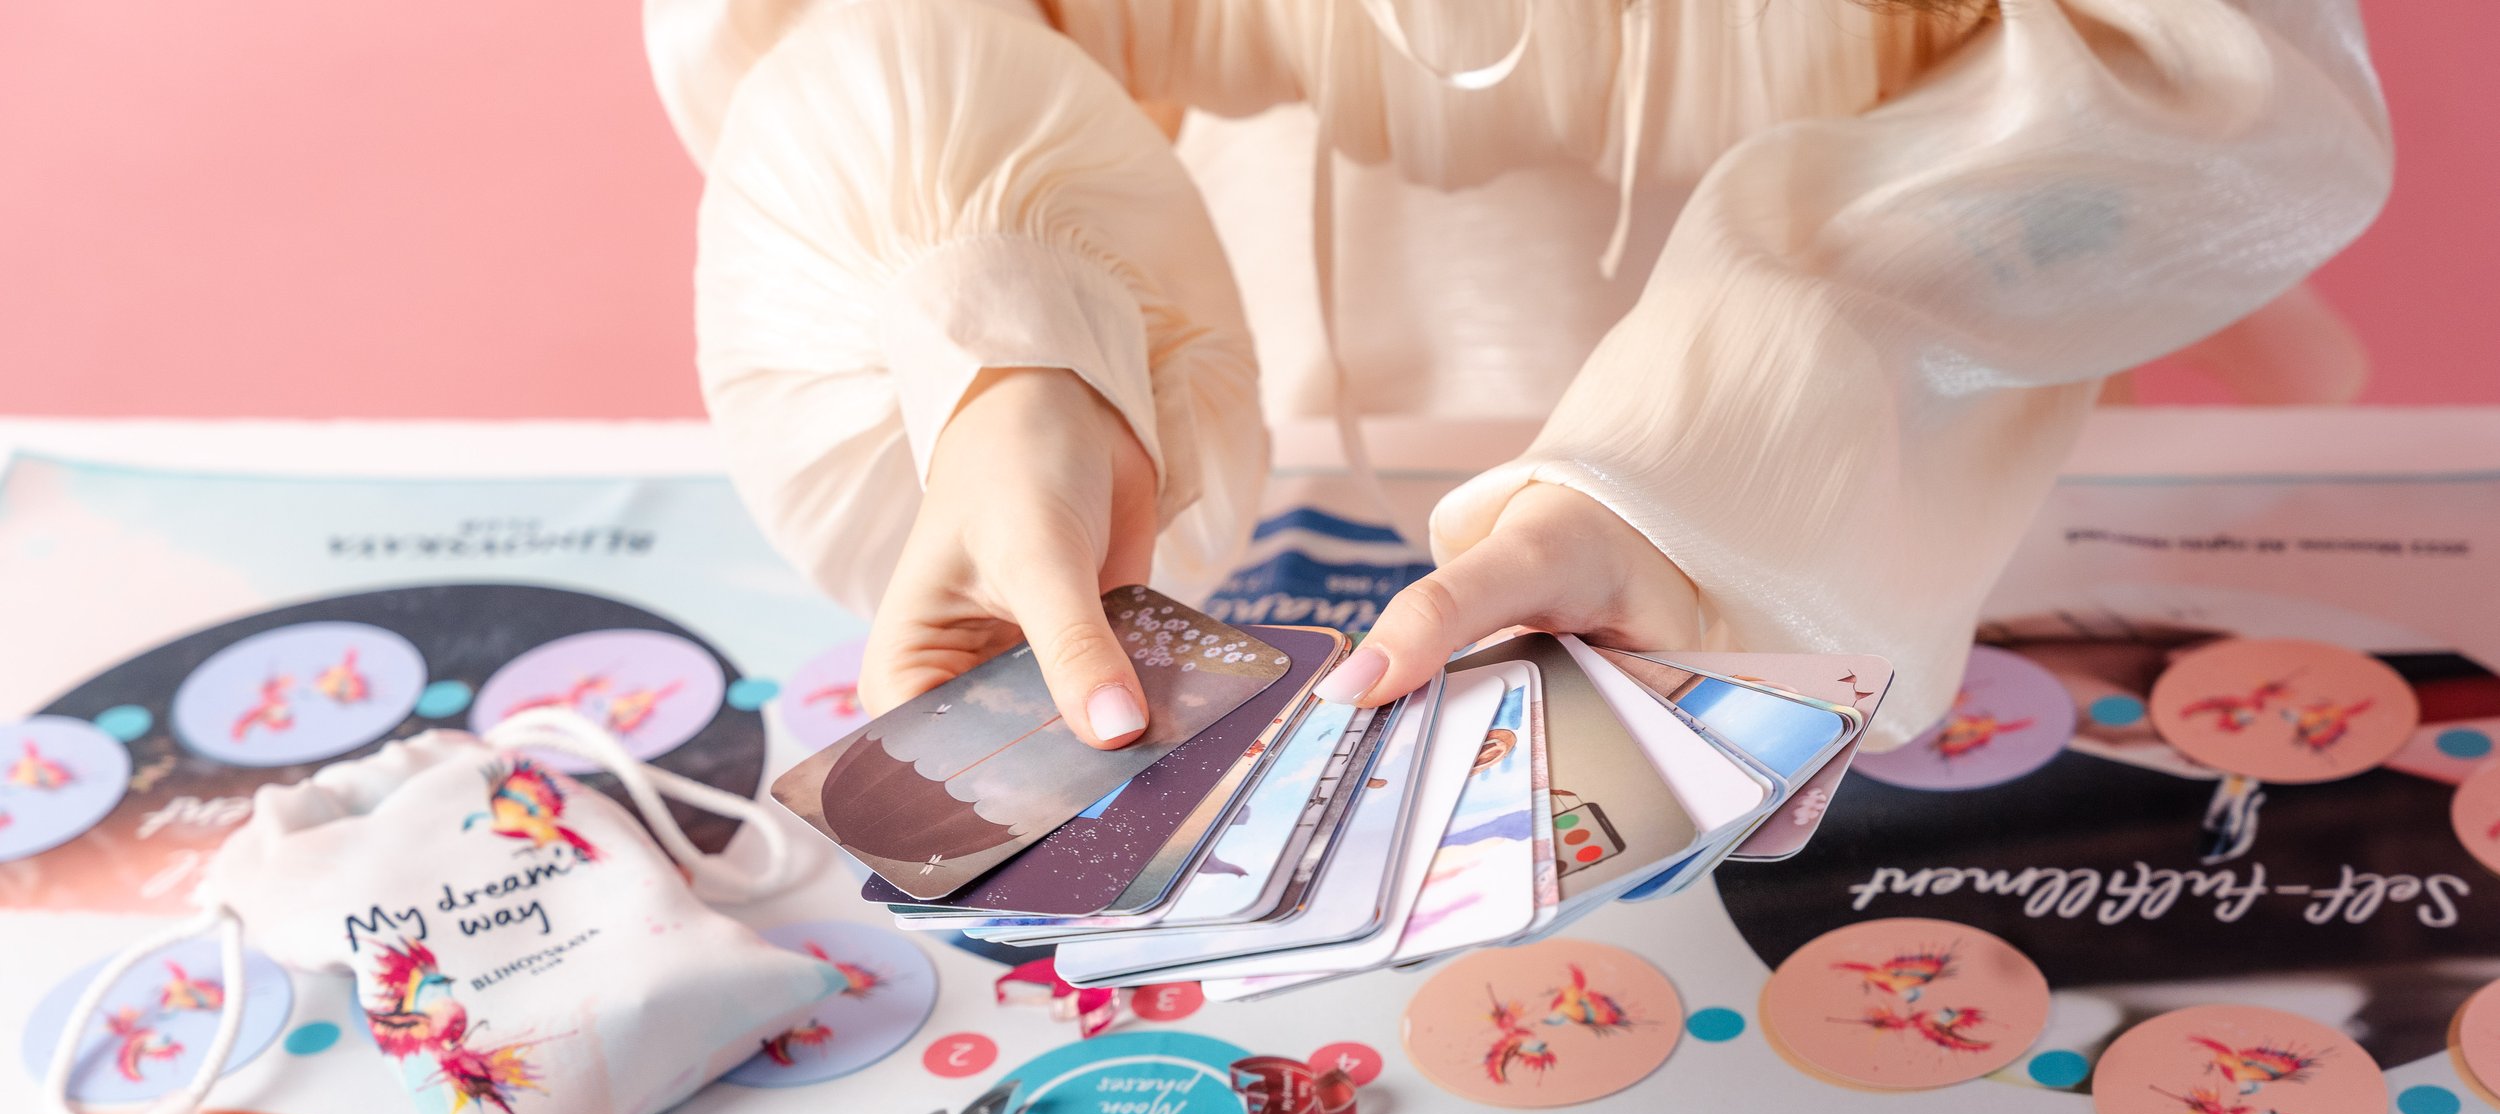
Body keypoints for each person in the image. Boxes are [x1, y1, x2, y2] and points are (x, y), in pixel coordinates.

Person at [644, 0, 2390, 749]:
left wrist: (1733, 445)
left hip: (1908, 373)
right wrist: (1016, 330)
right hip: (1229, 292)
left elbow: (2198, 86)